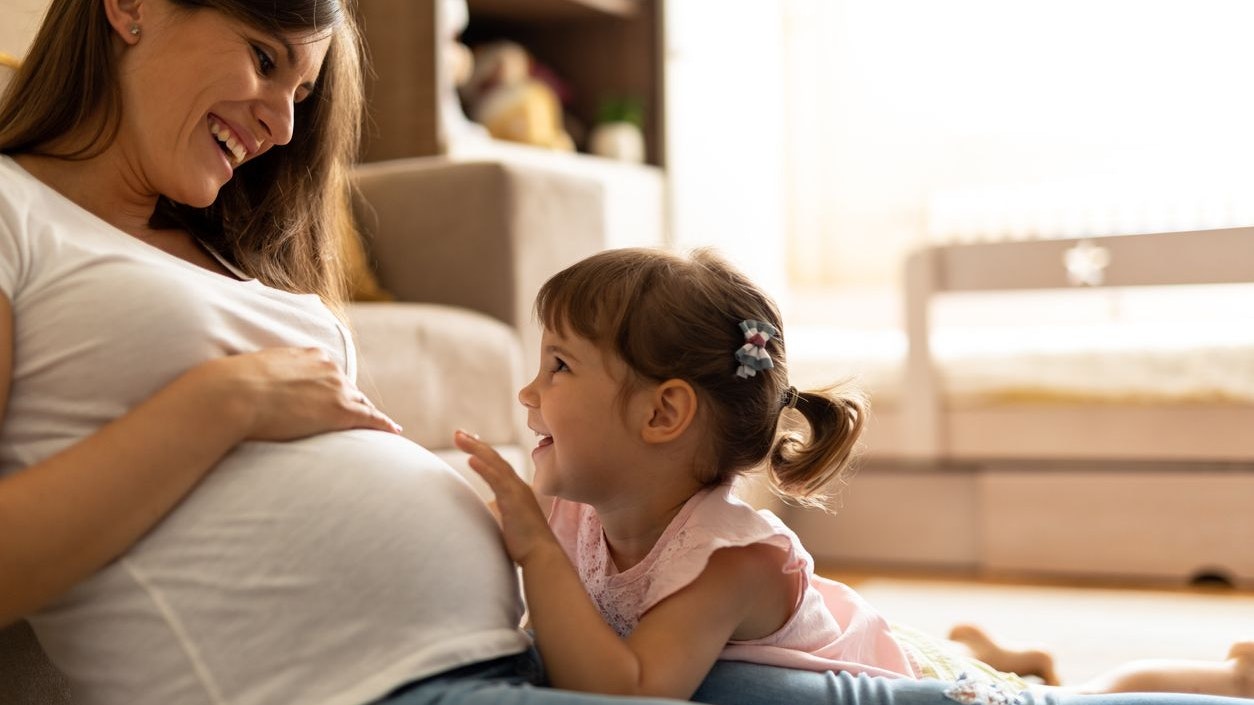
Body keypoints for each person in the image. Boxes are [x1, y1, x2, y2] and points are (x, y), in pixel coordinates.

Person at [1, 1, 1248, 704]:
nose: (281, 126)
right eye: (267, 61)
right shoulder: (13, 211)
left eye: (302, 87)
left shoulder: (219, 247)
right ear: (133, 3)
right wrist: (221, 402)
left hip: (559, 643)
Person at [455, 247, 1254, 702]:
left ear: (663, 414)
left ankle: (1225, 674)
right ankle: (988, 648)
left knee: (1086, 701)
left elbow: (630, 691)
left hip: (911, 682)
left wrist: (534, 547)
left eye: (558, 365)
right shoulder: (578, 512)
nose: (528, 393)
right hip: (882, 639)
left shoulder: (735, 559)